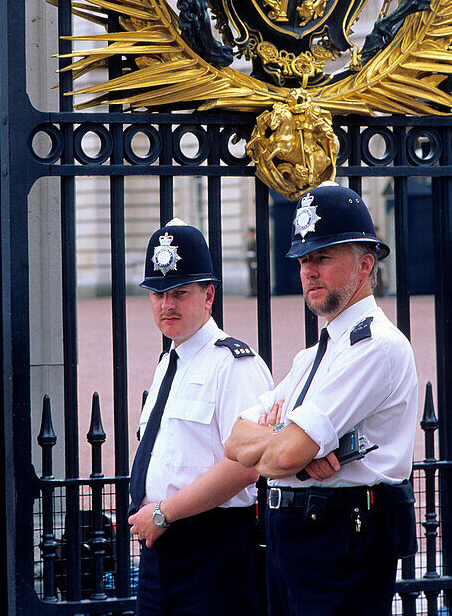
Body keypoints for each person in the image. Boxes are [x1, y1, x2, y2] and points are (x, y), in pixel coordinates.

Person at [225, 182, 418, 616]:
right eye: (304, 259)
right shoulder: (313, 355)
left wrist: (286, 444)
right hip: (292, 539)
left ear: (365, 264)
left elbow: (280, 459)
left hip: (342, 544)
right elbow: (233, 440)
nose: (308, 270)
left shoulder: (377, 347)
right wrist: (283, 438)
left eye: (323, 257)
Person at [128, 218, 273, 616]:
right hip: (160, 553)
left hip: (214, 553)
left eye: (180, 292)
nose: (166, 304)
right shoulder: (168, 362)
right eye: (157, 294)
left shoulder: (234, 364)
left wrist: (162, 512)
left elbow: (245, 468)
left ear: (209, 296)